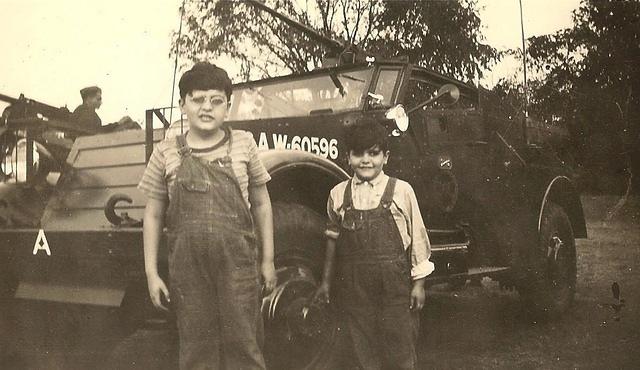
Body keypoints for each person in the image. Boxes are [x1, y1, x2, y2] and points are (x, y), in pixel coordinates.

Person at [138, 62, 276, 370]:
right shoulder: (166, 151)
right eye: (198, 99)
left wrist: (268, 260)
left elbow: (262, 204)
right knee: (196, 348)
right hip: (188, 269)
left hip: (238, 265)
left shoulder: (244, 144)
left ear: (228, 106)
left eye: (216, 101)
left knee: (244, 343)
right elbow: (153, 214)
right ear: (182, 104)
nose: (206, 108)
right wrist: (151, 272)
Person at [314, 122, 434, 370]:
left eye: (373, 153)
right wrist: (325, 283)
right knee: (362, 349)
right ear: (348, 157)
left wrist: (419, 285)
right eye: (358, 154)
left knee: (399, 345)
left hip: (394, 285)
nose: (365, 160)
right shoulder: (338, 194)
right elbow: (332, 242)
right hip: (356, 286)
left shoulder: (401, 191)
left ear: (385, 157)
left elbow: (418, 240)